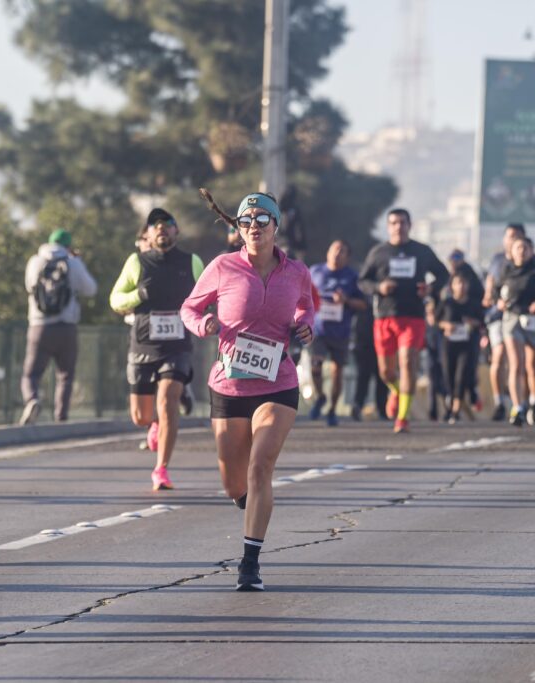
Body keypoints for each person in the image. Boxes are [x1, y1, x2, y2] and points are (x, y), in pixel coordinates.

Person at [182, 190, 314, 592]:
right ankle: (247, 500)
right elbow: (189, 308)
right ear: (238, 229)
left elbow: (306, 306)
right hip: (229, 385)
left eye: (262, 221)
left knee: (261, 468)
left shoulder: (296, 272)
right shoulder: (222, 267)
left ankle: (250, 563)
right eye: (246, 222)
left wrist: (304, 324)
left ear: (276, 226)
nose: (254, 228)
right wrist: (202, 324)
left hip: (278, 382)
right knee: (234, 483)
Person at [110, 209, 204, 490]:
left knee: (167, 402)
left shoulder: (192, 262)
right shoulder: (137, 262)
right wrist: (138, 295)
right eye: (155, 225)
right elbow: (115, 299)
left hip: (178, 347)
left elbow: (208, 293)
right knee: (140, 415)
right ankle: (154, 424)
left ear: (177, 232)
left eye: (168, 224)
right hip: (143, 345)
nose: (162, 228)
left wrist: (205, 314)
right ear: (148, 235)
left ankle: (161, 469)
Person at [358, 208, 449, 433]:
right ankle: (397, 390)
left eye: (402, 223)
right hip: (385, 317)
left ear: (410, 225)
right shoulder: (379, 252)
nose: (398, 226)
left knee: (408, 361)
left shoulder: (422, 251)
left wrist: (430, 288)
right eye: (394, 223)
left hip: (413, 316)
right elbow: (363, 281)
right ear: (389, 227)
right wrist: (379, 287)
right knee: (386, 372)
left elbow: (443, 274)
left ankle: (403, 418)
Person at [20, 229, 98, 425]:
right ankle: (61, 417)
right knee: (65, 375)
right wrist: (77, 262)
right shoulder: (72, 263)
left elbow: (29, 286)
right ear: (68, 246)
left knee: (31, 373)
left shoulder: (35, 262)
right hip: (66, 327)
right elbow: (91, 289)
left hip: (39, 326)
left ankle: (32, 400)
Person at [493, 236, 535, 426]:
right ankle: (518, 407)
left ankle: (534, 401)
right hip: (512, 319)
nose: (521, 252)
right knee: (516, 364)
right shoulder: (506, 268)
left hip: (534, 320)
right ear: (512, 251)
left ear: (531, 251)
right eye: (518, 248)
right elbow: (496, 290)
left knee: (532, 366)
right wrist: (498, 301)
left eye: (525, 248)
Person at [308, 240, 365, 426]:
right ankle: (320, 396)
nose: (337, 254)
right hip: (318, 330)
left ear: (347, 257)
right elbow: (301, 294)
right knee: (315, 364)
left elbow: (363, 304)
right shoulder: (315, 271)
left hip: (341, 332)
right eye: (334, 249)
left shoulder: (352, 277)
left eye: (342, 251)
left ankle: (332, 409)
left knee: (336, 372)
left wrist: (346, 300)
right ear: (328, 252)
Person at [483, 223, 525, 421]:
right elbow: (489, 285)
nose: (513, 239)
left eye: (517, 236)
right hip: (497, 317)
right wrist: (490, 297)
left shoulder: (530, 262)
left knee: (517, 362)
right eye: (509, 236)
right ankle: (499, 401)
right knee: (499, 356)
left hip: (519, 317)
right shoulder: (497, 260)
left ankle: (520, 401)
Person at [435, 273, 484, 422]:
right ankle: (450, 402)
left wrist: (472, 323)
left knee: (461, 375)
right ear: (452, 286)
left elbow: (481, 322)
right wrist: (446, 325)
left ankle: (455, 410)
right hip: (449, 344)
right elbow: (437, 321)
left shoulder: (474, 303)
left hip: (467, 345)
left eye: (463, 283)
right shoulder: (447, 303)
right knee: (448, 374)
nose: (461, 286)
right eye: (458, 283)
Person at [350, 304, 388, 421]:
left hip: (382, 339)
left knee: (382, 376)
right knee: (363, 375)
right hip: (363, 340)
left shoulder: (385, 293)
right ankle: (358, 405)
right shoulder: (360, 293)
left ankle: (382, 409)